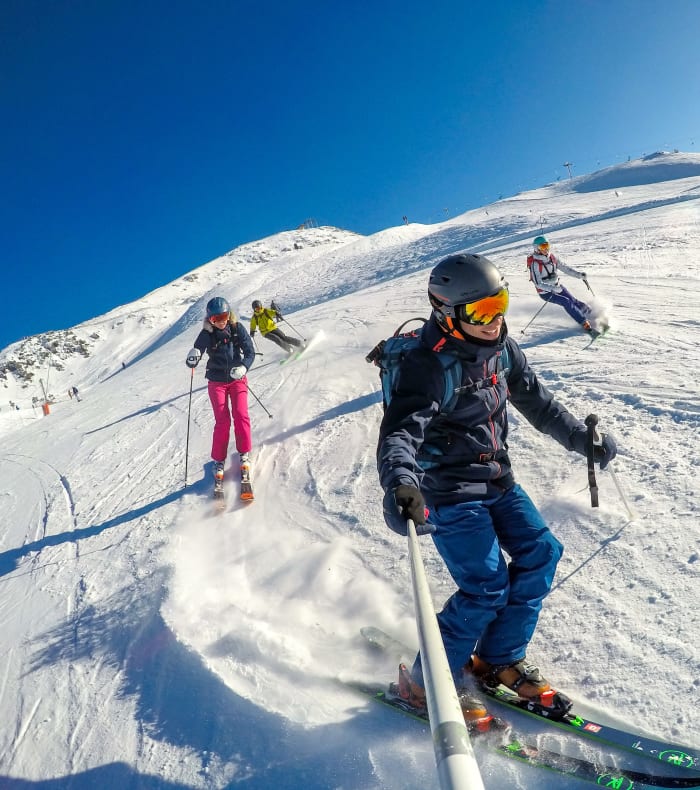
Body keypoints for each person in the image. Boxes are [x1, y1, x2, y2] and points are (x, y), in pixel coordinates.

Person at [377, 253, 617, 718]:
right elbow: (400, 433)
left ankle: (498, 658)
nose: (495, 320)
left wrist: (580, 440)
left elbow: (538, 403)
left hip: (497, 479)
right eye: (481, 312)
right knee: (485, 587)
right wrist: (402, 484)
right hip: (447, 491)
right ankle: (425, 685)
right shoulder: (428, 367)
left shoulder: (503, 349)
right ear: (448, 313)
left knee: (541, 552)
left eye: (500, 303)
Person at [186, 297, 255, 484]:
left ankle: (244, 454)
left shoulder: (236, 328)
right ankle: (219, 460)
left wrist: (244, 367)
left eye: (224, 316)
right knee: (223, 421)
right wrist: (194, 356)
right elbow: (198, 348)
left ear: (229, 314)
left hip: (236, 378)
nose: (221, 321)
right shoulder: (207, 333)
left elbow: (250, 352)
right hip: (216, 382)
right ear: (210, 319)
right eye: (216, 319)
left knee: (241, 415)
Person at [527, 235, 593, 332]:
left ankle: (589, 312)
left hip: (557, 286)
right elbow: (538, 283)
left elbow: (565, 268)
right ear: (537, 249)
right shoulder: (535, 264)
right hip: (546, 292)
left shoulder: (552, 257)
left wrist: (579, 275)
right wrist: (550, 288)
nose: (546, 249)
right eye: (543, 247)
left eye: (547, 246)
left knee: (573, 300)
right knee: (566, 301)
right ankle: (583, 322)